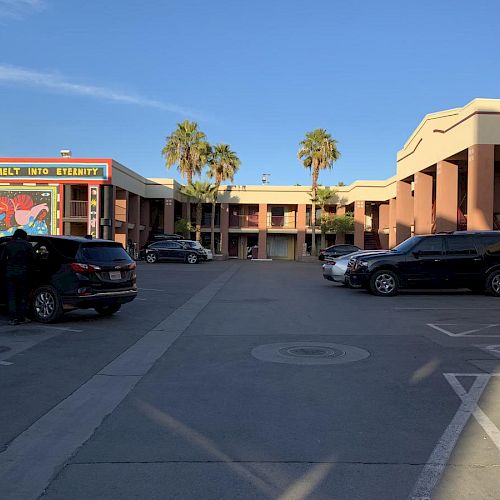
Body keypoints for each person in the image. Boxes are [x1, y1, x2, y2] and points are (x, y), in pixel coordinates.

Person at [2, 229, 35, 325]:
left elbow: (2, 260)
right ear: (24, 236)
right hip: (23, 274)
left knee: (11, 296)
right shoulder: (27, 245)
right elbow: (33, 259)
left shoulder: (8, 244)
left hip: (10, 274)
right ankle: (22, 317)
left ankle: (13, 318)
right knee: (22, 296)